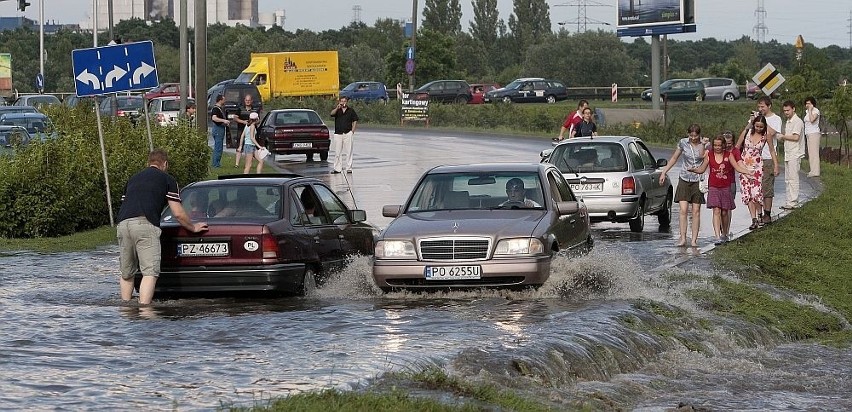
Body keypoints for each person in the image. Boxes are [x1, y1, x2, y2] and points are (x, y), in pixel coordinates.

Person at [116, 149, 208, 305]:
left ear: (149, 163)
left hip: (123, 224)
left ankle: (126, 309)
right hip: (145, 224)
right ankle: (145, 310)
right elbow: (178, 213)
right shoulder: (167, 179)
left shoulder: (133, 179)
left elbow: (126, 202)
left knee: (127, 272)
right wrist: (193, 227)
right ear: (165, 164)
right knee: (150, 272)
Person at [690, 135, 754, 245]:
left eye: (719, 145)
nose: (717, 147)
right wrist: (694, 170)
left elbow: (737, 167)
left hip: (726, 187)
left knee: (724, 212)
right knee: (716, 210)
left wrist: (747, 172)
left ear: (723, 145)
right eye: (715, 145)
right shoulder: (709, 155)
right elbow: (702, 169)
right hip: (713, 186)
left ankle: (724, 233)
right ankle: (717, 236)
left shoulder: (729, 155)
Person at [659, 124, 706, 247]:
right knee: (683, 210)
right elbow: (674, 158)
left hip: (697, 179)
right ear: (688, 134)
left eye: (695, 136)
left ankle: (694, 239)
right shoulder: (683, 143)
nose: (693, 138)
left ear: (699, 135)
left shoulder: (704, 144)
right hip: (684, 178)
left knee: (696, 211)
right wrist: (664, 172)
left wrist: (703, 144)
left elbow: (703, 157)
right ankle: (683, 237)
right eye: (691, 135)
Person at [737, 96, 780, 226]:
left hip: (760, 164)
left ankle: (764, 214)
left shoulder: (770, 128)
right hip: (746, 165)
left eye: (761, 126)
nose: (759, 128)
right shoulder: (750, 131)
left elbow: (772, 146)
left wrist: (776, 165)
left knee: (759, 191)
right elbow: (737, 145)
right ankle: (754, 219)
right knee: (748, 192)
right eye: (757, 126)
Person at [778, 100, 805, 209]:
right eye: (784, 111)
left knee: (793, 178)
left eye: (788, 110)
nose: (786, 112)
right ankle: (789, 201)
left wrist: (783, 136)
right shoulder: (788, 122)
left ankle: (793, 202)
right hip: (788, 153)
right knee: (788, 179)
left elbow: (795, 137)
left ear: (793, 109)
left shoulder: (797, 121)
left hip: (795, 153)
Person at [330, 96, 359, 174]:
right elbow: (331, 114)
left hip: (347, 133)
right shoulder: (337, 110)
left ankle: (349, 168)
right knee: (337, 152)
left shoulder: (351, 110)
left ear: (347, 102)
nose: (343, 103)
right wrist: (337, 108)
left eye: (345, 101)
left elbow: (355, 120)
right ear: (339, 102)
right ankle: (337, 168)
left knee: (349, 151)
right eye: (342, 101)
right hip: (338, 133)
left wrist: (352, 131)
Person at [722, 131, 739, 238]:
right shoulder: (717, 150)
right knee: (719, 208)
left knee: (727, 208)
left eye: (730, 143)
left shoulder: (735, 151)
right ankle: (721, 230)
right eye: (726, 143)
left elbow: (739, 163)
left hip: (730, 182)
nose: (727, 145)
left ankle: (726, 230)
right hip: (717, 183)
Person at [209, 94, 229, 168]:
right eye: (224, 99)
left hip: (221, 128)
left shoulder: (220, 108)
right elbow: (214, 118)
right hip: (218, 128)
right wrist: (224, 120)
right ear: (220, 100)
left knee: (219, 147)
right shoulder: (216, 109)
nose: (225, 101)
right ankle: (215, 164)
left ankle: (217, 163)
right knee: (218, 147)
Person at [803, 97, 821, 177]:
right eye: (806, 103)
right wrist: (808, 111)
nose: (807, 105)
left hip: (814, 133)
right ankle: (812, 170)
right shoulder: (807, 111)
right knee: (810, 152)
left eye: (809, 103)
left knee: (814, 152)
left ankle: (816, 171)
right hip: (808, 133)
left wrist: (810, 110)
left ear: (813, 104)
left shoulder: (816, 111)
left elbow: (812, 120)